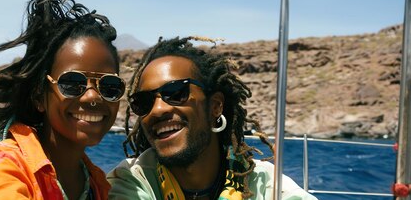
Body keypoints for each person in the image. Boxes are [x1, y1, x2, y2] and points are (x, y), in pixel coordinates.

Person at [0, 0, 125, 200]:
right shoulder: (0, 170)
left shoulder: (98, 186)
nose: (93, 96)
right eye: (72, 83)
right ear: (38, 96)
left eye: (109, 85)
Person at [107, 37, 316, 200]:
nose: (157, 110)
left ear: (215, 106)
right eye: (143, 102)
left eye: (177, 92)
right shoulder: (132, 181)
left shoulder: (266, 185)